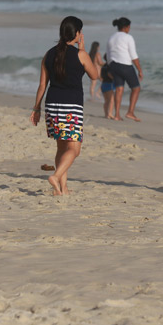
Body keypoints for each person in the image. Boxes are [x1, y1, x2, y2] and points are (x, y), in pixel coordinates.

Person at [30, 16, 98, 195]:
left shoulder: (49, 53)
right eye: (80, 31)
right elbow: (95, 75)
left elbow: (42, 85)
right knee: (74, 149)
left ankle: (62, 188)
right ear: (77, 33)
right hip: (71, 107)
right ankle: (56, 176)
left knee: (61, 147)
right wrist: (82, 49)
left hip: (52, 105)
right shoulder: (80, 54)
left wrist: (36, 108)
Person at [106, 17, 143, 122]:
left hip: (113, 65)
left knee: (119, 89)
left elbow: (108, 55)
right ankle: (130, 112)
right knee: (136, 88)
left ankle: (117, 114)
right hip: (125, 65)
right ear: (126, 27)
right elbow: (133, 56)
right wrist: (139, 70)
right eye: (129, 27)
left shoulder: (111, 37)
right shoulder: (128, 37)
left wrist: (109, 68)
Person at [100, 55, 116, 119]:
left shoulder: (103, 66)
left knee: (106, 101)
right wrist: (115, 78)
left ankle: (106, 114)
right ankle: (110, 113)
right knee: (111, 100)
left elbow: (101, 76)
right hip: (109, 84)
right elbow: (109, 74)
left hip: (103, 84)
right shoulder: (110, 66)